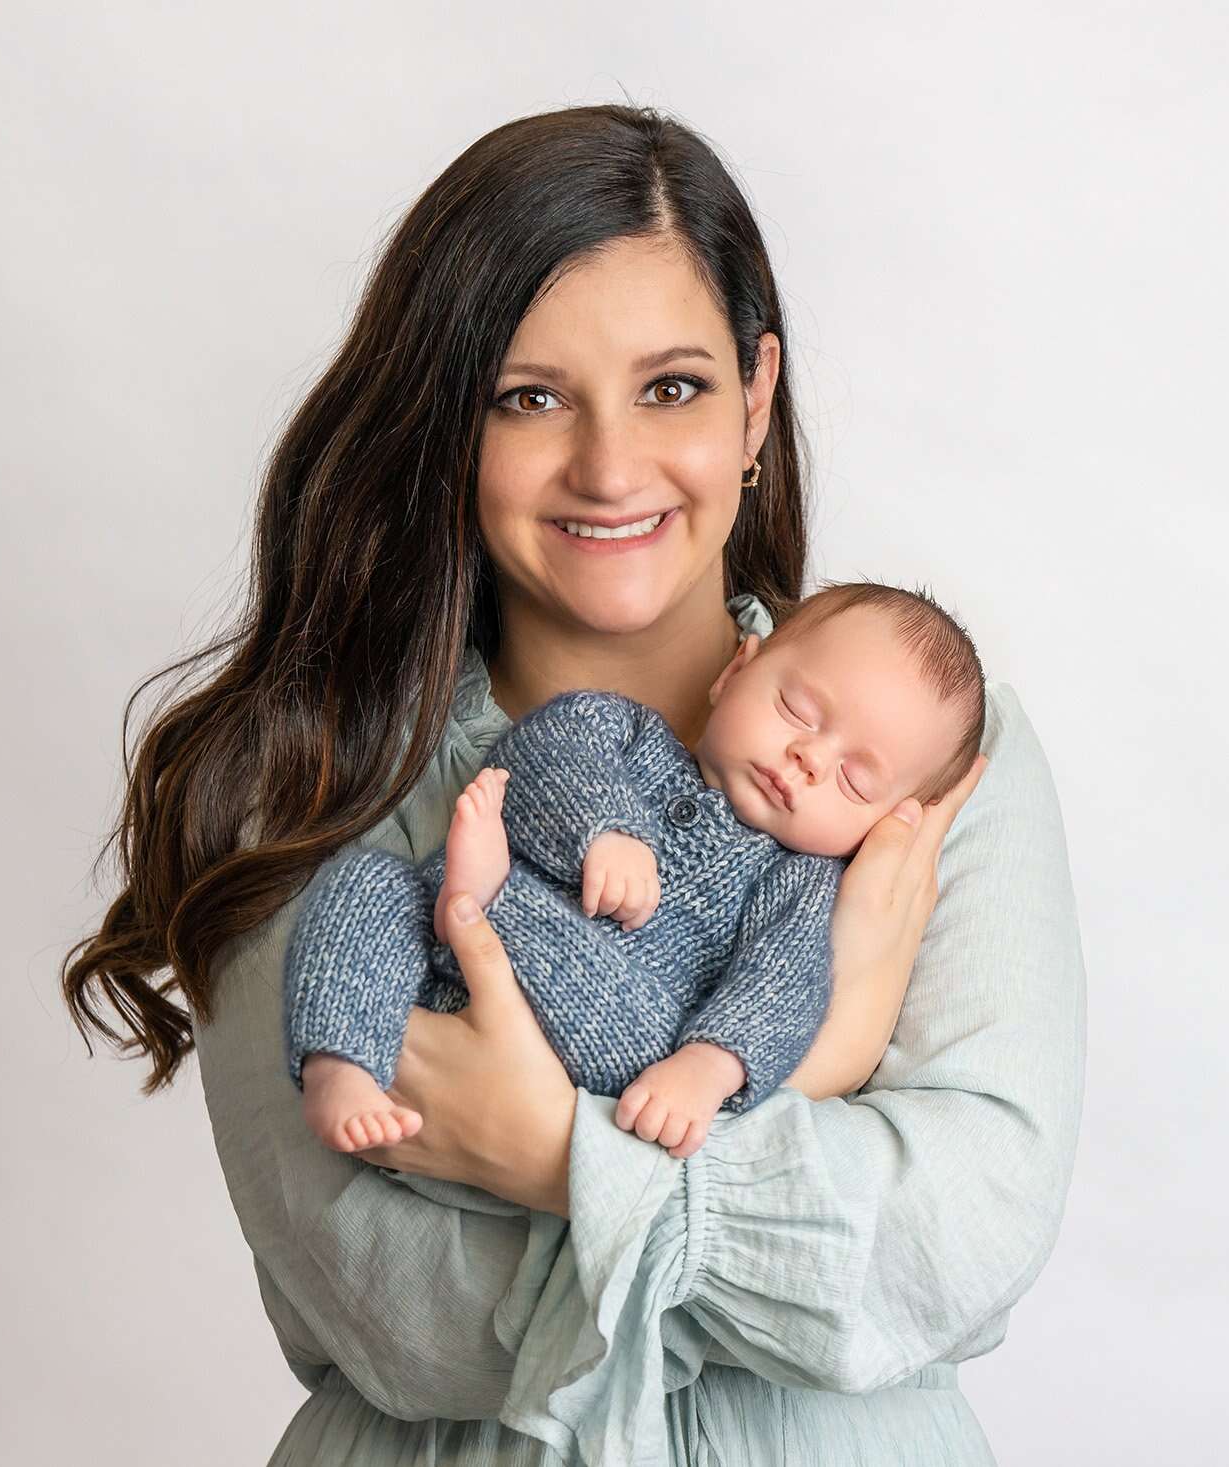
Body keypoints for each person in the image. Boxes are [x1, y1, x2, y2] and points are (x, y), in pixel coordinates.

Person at [62, 103, 1086, 1466]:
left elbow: (958, 1242)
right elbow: (395, 1314)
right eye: (528, 398)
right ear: (447, 423)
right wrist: (830, 1075)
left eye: (672, 388)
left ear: (755, 399)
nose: (608, 468)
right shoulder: (302, 775)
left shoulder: (938, 761)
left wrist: (549, 1152)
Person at [284, 583, 987, 1164]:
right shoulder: (628, 735)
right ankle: (339, 1063)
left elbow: (781, 984)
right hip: (431, 963)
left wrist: (707, 1066)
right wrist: (606, 828)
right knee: (366, 884)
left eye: (856, 781)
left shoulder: (796, 883)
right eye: (797, 710)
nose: (809, 758)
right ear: (736, 672)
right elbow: (544, 754)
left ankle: (483, 900)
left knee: (652, 1043)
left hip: (609, 1025)